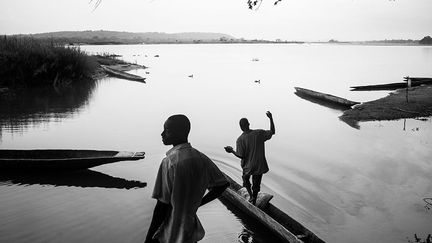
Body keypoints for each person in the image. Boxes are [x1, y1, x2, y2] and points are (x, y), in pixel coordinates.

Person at [145, 114, 229, 243]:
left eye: (167, 130)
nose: (162, 134)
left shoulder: (169, 162)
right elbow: (222, 185)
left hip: (170, 232)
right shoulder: (201, 158)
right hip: (190, 229)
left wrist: (149, 238)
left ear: (179, 133)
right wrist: (198, 203)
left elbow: (161, 207)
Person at [224, 111, 275, 205]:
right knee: (256, 185)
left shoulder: (240, 139)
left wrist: (231, 151)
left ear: (240, 127)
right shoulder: (259, 133)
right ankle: (254, 199)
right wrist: (271, 118)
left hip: (248, 167)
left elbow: (241, 155)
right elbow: (272, 131)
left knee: (245, 179)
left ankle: (251, 196)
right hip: (260, 165)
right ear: (249, 124)